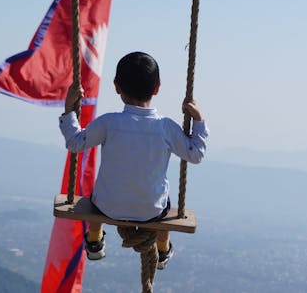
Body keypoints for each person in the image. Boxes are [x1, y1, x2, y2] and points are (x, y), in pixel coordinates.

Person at [59, 51, 209, 270]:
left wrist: (69, 109)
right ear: (157, 88)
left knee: (95, 197)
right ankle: (162, 248)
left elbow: (75, 142)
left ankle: (94, 242)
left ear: (117, 87)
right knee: (167, 208)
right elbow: (196, 154)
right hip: (151, 210)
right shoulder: (166, 128)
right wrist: (198, 121)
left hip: (107, 207)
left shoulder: (109, 123)